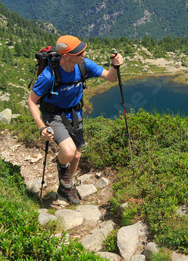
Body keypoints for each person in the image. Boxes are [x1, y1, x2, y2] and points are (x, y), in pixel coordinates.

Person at [27, 35, 124, 204]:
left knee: (77, 155)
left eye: (83, 50)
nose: (83, 54)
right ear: (65, 56)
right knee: (69, 151)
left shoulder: (84, 65)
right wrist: (42, 127)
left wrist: (115, 66)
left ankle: (66, 186)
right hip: (54, 115)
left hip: (75, 114)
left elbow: (110, 77)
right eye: (79, 52)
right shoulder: (49, 75)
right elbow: (32, 101)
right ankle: (63, 171)